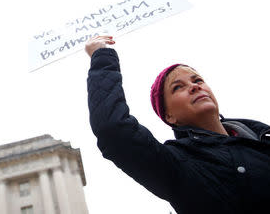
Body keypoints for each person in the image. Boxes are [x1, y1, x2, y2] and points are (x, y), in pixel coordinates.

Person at [85, 35, 270, 214]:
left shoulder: (262, 136)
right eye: (177, 87)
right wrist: (101, 57)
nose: (195, 86)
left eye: (197, 80)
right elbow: (114, 130)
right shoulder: (178, 164)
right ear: (169, 116)